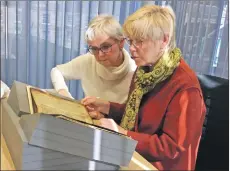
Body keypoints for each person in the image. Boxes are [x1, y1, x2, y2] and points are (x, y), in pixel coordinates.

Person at [81, 5, 206, 170]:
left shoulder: (186, 87)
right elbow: (139, 115)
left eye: (140, 41)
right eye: (131, 41)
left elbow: (172, 148)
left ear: (164, 40)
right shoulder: (144, 71)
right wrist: (107, 107)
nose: (132, 48)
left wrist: (122, 134)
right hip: (135, 157)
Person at [51, 15, 136, 103]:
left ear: (121, 43)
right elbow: (57, 71)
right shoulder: (89, 60)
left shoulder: (135, 73)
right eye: (94, 49)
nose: (100, 55)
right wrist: (64, 93)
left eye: (106, 47)